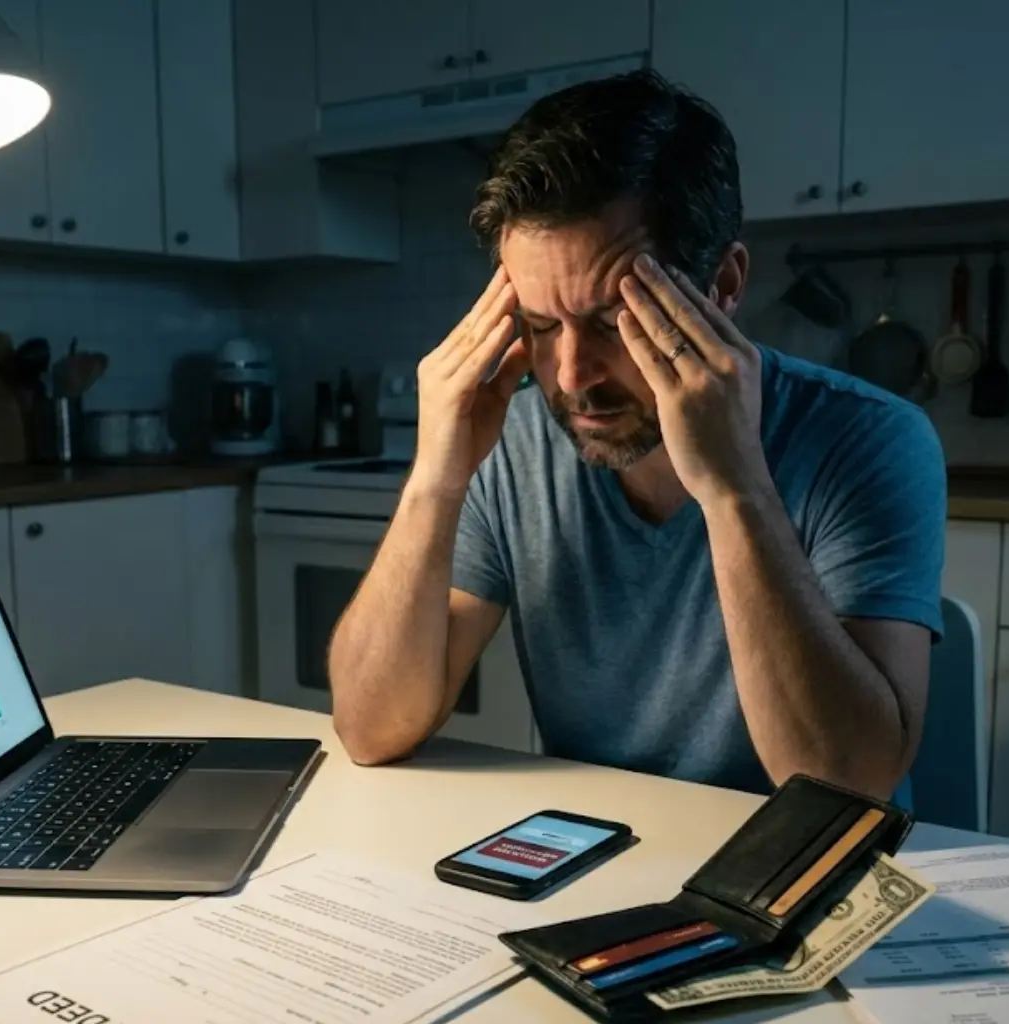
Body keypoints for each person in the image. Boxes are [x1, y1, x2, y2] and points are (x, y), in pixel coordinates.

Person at [325, 69, 946, 803]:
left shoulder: (870, 438)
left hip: (804, 873)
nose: (572, 374)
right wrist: (436, 477)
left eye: (613, 320)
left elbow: (847, 784)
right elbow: (370, 727)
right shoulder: (513, 442)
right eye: (541, 324)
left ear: (724, 283)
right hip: (600, 850)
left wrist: (735, 485)